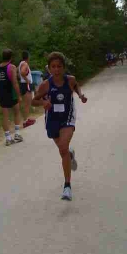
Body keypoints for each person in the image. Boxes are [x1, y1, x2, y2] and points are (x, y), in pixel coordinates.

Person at [32, 52, 88, 201]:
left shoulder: (70, 80)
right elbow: (33, 101)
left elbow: (76, 87)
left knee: (62, 147)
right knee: (63, 150)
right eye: (53, 67)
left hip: (67, 118)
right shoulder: (45, 85)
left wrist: (81, 95)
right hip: (52, 120)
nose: (56, 69)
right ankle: (69, 155)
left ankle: (67, 186)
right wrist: (43, 103)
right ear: (49, 69)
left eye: (59, 66)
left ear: (64, 67)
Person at [0, 49, 23, 146]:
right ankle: (17, 134)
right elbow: (15, 82)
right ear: (11, 57)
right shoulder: (12, 67)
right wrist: (19, 95)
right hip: (12, 93)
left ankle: (8, 138)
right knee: (17, 112)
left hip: (2, 94)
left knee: (5, 116)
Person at [18, 51, 36, 128]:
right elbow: (22, 72)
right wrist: (26, 80)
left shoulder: (20, 63)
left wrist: (22, 78)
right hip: (26, 84)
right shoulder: (25, 64)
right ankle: (25, 121)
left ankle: (27, 119)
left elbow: (18, 73)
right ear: (28, 56)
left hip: (23, 84)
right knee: (27, 104)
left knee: (27, 103)